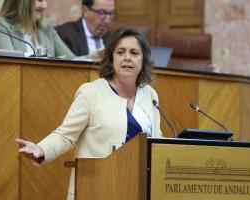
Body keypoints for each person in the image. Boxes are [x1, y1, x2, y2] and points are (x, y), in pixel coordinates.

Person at [15, 27, 162, 200]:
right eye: (120, 52)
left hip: (138, 188)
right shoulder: (91, 92)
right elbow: (66, 135)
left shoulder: (150, 94)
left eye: (134, 53)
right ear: (111, 58)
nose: (127, 58)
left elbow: (157, 141)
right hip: (95, 188)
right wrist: (42, 149)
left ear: (143, 60)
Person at [0, 0, 99, 59]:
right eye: (40, 0)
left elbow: (71, 60)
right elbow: (9, 67)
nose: (45, 6)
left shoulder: (45, 28)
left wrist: (93, 56)